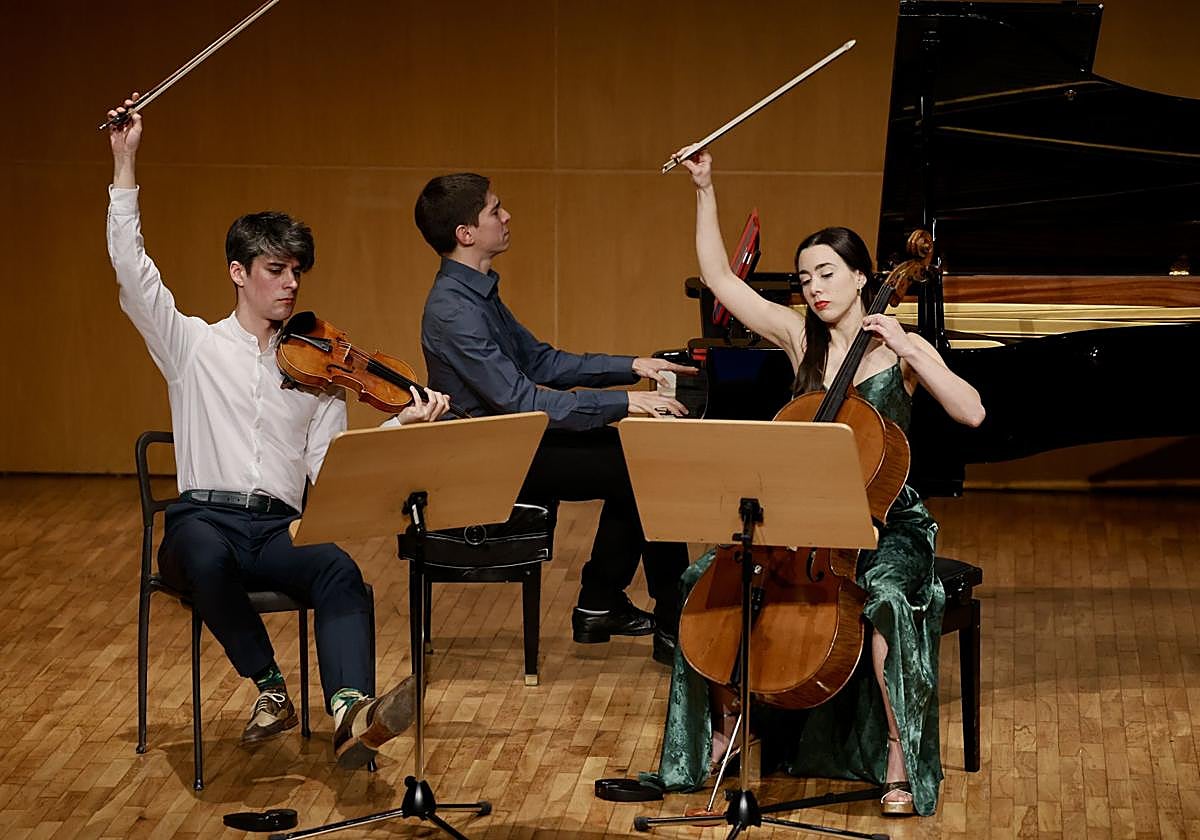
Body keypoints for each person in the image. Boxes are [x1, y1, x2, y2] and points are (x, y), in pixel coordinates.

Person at [106, 94, 451, 769]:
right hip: (202, 521)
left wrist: (402, 423)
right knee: (205, 557)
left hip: (276, 528)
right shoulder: (192, 346)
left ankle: (350, 714)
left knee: (339, 569)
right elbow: (132, 269)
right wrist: (125, 163)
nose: (291, 284)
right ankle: (270, 686)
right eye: (275, 270)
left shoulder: (319, 373)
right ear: (238, 273)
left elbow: (334, 467)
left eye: (297, 271)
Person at [642, 149, 986, 816]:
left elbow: (971, 411)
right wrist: (705, 188)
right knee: (702, 581)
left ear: (862, 277)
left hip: (887, 522)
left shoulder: (899, 349)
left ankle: (897, 754)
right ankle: (728, 727)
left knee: (888, 599)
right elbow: (719, 279)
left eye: (827, 273)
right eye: (805, 278)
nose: (815, 288)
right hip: (801, 518)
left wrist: (911, 350)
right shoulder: (802, 337)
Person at [413, 173, 697, 665]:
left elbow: (542, 361)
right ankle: (657, 618)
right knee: (642, 465)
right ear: (466, 233)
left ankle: (604, 603)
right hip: (492, 461)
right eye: (495, 210)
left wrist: (631, 367)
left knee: (640, 460)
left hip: (515, 442)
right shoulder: (452, 311)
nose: (506, 216)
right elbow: (521, 399)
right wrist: (626, 404)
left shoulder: (476, 294)